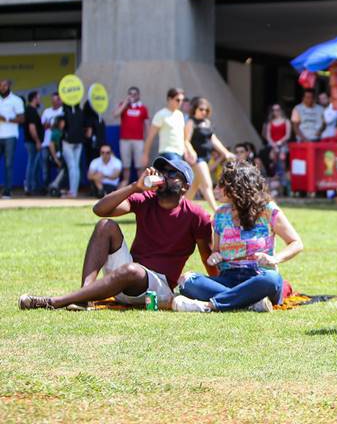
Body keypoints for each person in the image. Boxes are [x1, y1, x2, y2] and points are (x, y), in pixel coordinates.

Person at [19, 156, 214, 310]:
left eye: (172, 174)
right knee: (106, 225)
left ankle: (55, 301)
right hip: (127, 278)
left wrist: (221, 291)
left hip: (158, 288)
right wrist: (135, 187)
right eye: (162, 171)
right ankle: (84, 296)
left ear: (186, 186)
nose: (164, 176)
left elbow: (208, 258)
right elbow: (100, 210)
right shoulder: (146, 198)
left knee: (132, 269)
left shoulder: (197, 215)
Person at [172, 160, 304, 312]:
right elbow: (217, 251)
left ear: (236, 187)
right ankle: (250, 303)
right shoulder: (221, 214)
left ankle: (209, 306)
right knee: (187, 282)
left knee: (271, 280)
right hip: (228, 278)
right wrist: (215, 256)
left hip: (258, 276)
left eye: (221, 185)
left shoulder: (267, 210)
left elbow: (296, 242)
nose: (216, 189)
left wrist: (275, 259)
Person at [185, 97, 234, 211]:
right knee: (206, 183)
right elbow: (185, 140)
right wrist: (191, 151)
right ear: (195, 109)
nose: (204, 112)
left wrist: (226, 153)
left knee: (194, 187)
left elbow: (213, 139)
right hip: (196, 159)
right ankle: (216, 209)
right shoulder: (191, 122)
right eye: (201, 109)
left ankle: (180, 208)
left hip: (206, 158)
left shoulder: (207, 123)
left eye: (206, 110)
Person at [142, 88, 188, 167]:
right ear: (169, 99)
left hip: (180, 154)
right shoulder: (161, 114)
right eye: (178, 100)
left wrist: (187, 151)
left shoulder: (180, 115)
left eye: (182, 100)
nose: (180, 103)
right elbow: (150, 136)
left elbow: (183, 137)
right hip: (167, 153)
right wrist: (145, 155)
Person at [114, 86, 149, 186]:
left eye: (134, 94)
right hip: (124, 140)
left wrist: (147, 140)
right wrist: (125, 103)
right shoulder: (124, 106)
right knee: (126, 165)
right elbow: (115, 114)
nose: (132, 96)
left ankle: (142, 186)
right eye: (130, 94)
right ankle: (125, 186)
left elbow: (147, 125)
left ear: (138, 95)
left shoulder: (143, 108)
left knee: (140, 166)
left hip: (138, 140)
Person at [0, 79, 24, 198]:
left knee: (8, 164)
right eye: (0, 86)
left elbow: (22, 119)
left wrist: (7, 119)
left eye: (4, 85)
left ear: (8, 86)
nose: (2, 88)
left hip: (10, 136)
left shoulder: (16, 100)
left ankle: (7, 190)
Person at [262, 103, 291, 189]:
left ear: (281, 110)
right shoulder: (270, 122)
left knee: (282, 157)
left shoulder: (286, 121)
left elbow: (288, 135)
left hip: (283, 145)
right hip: (272, 145)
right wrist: (274, 144)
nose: (276, 112)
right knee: (271, 157)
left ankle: (283, 181)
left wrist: (279, 142)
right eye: (274, 110)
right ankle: (273, 179)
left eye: (278, 109)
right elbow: (268, 136)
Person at [61, 100, 86, 198]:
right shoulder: (80, 111)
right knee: (75, 166)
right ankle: (74, 191)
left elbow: (61, 126)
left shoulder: (65, 111)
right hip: (79, 141)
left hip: (68, 141)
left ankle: (72, 192)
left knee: (72, 166)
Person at [23, 90, 46, 196]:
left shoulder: (32, 110)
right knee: (32, 164)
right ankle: (29, 186)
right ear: (34, 99)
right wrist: (37, 141)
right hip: (32, 142)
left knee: (35, 165)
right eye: (38, 97)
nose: (39, 99)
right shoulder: (31, 111)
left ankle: (35, 186)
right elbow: (32, 128)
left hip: (32, 142)